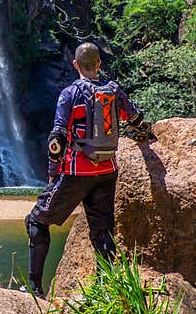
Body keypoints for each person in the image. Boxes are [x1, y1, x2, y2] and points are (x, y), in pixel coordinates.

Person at [22, 42, 152, 297]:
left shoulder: (70, 93)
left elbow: (57, 138)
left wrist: (52, 172)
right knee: (102, 231)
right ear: (99, 64)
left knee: (36, 220)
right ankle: (107, 289)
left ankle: (35, 288)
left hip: (76, 173)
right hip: (107, 172)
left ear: (75, 65)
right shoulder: (113, 90)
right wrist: (146, 135)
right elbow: (136, 119)